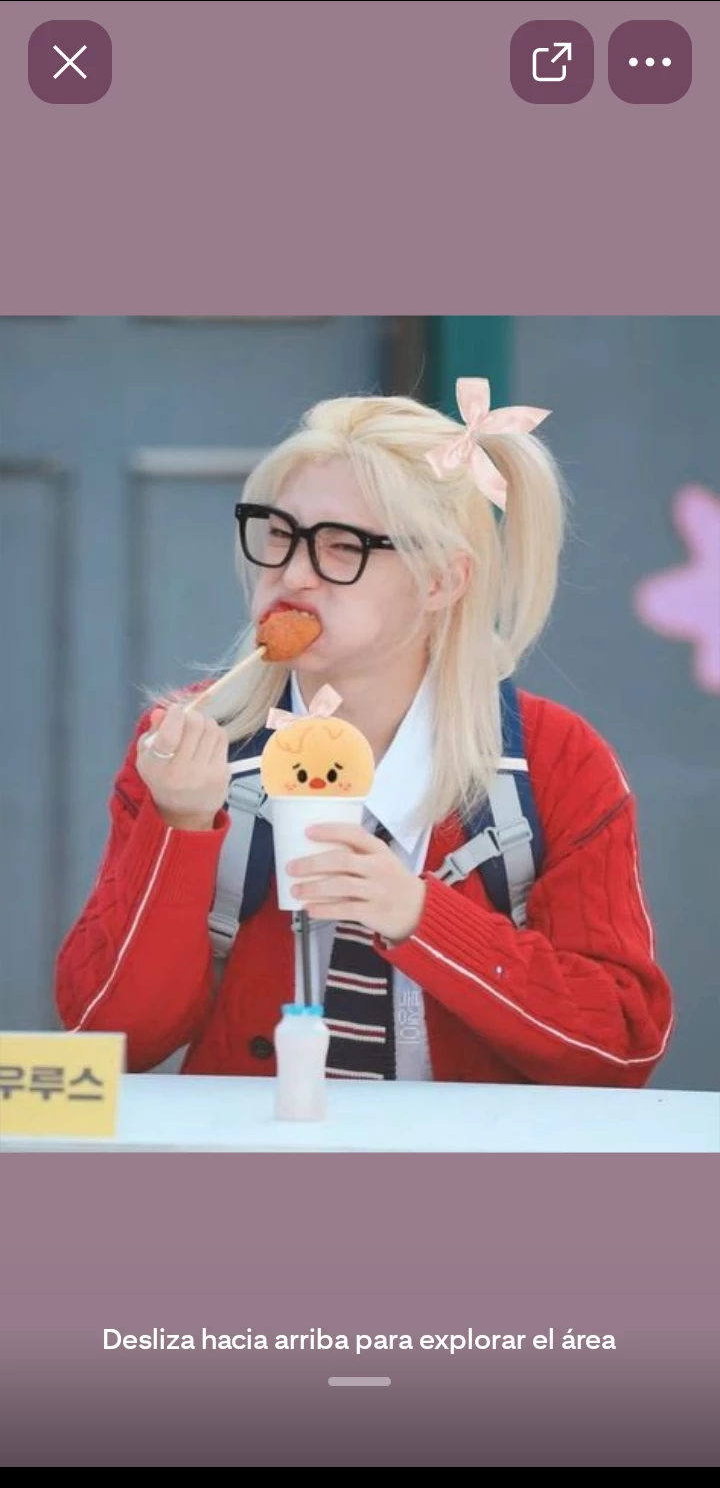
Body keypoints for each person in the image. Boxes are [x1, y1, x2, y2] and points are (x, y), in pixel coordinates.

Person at [55, 378, 674, 1087]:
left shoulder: (554, 760)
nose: (293, 574)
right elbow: (108, 1037)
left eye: (342, 547)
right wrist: (179, 827)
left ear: (441, 581)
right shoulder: (193, 746)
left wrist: (421, 916)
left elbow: (621, 1047)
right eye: (279, 534)